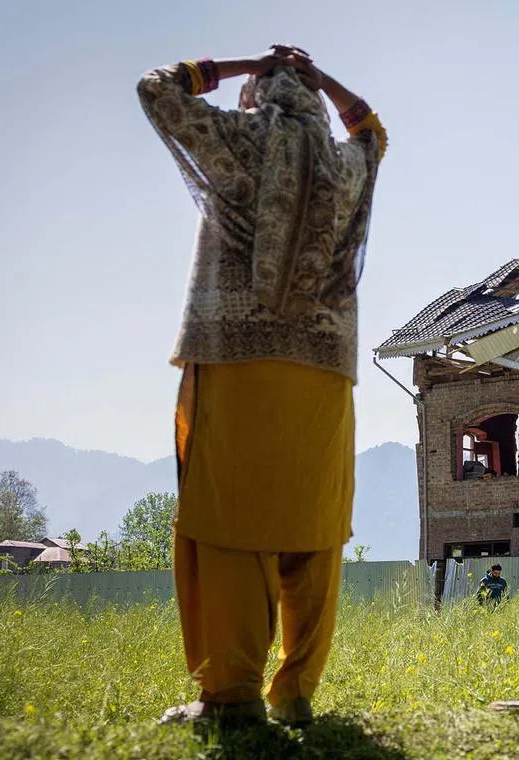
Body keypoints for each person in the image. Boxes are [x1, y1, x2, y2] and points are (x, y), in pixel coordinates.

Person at [137, 44, 387, 727]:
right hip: (323, 375)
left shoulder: (238, 139)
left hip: (236, 360)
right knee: (311, 529)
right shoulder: (342, 168)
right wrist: (324, 79)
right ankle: (297, 692)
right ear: (308, 101)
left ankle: (230, 696)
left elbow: (156, 89)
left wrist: (243, 66)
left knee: (229, 528)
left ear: (258, 99)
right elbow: (372, 131)